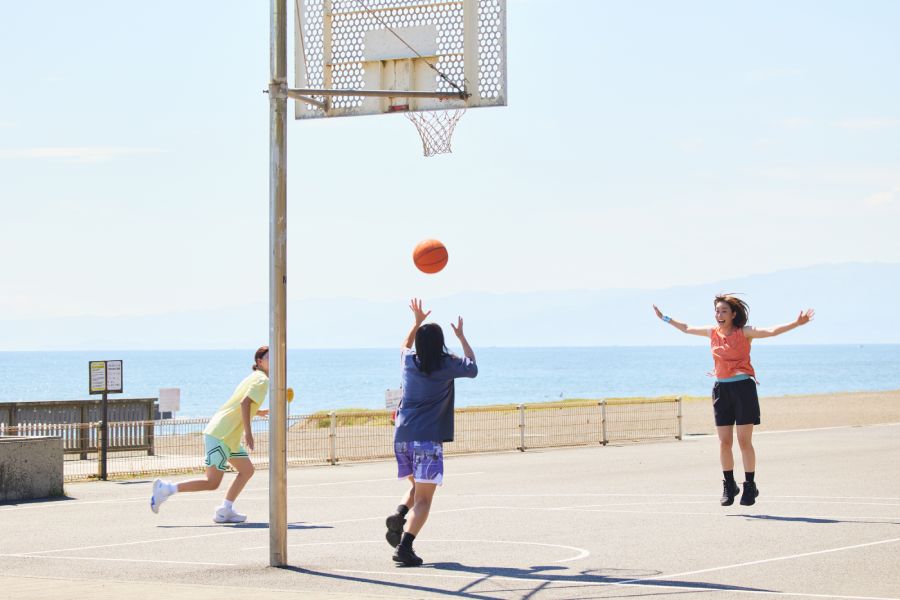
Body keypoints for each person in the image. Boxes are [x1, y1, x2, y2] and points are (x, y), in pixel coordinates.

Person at [653, 296, 813, 506]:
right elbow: (686, 328)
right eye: (717, 311)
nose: (719, 315)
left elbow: (772, 331)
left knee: (744, 441)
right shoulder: (712, 333)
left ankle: (750, 485)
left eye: (724, 311)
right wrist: (664, 317)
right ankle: (730, 485)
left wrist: (796, 323)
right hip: (721, 389)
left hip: (743, 389)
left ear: (733, 314)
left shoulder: (744, 333)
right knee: (724, 442)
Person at [385, 298, 478, 566]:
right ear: (441, 343)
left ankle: (401, 513)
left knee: (417, 487)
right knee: (425, 498)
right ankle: (405, 546)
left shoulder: (409, 362)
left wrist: (415, 323)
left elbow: (403, 346)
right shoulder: (446, 363)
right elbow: (472, 368)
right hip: (427, 440)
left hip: (402, 437)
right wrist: (462, 338)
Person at [150, 346, 270, 523]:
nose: (274, 360)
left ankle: (225, 509)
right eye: (269, 357)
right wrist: (249, 433)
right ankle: (166, 489)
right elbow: (244, 404)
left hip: (229, 437)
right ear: (259, 362)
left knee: (247, 470)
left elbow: (240, 403)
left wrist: (258, 412)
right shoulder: (262, 380)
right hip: (221, 435)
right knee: (212, 482)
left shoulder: (255, 378)